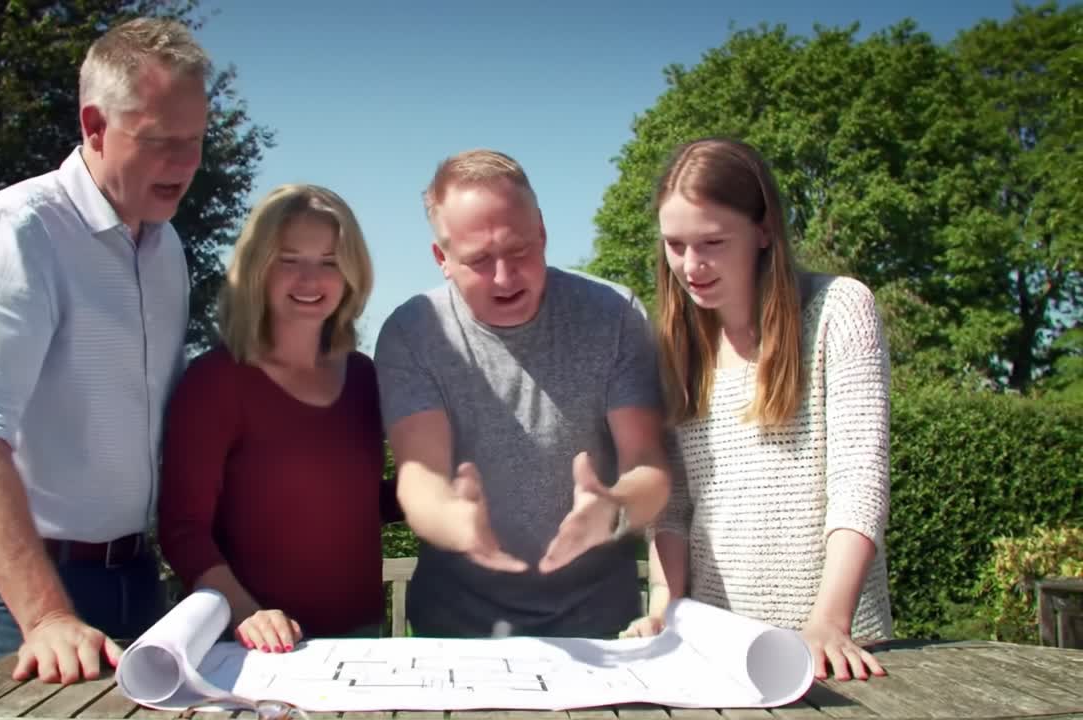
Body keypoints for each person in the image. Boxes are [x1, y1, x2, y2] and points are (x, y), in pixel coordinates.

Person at [0, 18, 210, 687]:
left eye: (195, 142)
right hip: (12, 594)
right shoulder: (17, 231)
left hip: (134, 578)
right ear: (94, 124)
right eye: (161, 141)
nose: (183, 165)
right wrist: (46, 615)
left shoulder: (167, 250)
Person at [374, 149, 676, 638]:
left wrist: (613, 509)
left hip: (604, 631)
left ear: (543, 233)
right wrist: (453, 521)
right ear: (442, 259)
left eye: (519, 251)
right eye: (478, 260)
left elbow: (648, 463)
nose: (504, 277)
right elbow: (419, 476)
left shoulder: (613, 314)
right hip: (456, 636)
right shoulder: (414, 332)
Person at [622, 137, 893, 682]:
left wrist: (828, 622)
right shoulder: (673, 348)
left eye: (713, 242)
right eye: (675, 245)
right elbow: (671, 507)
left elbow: (859, 482)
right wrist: (663, 607)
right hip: (714, 649)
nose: (691, 265)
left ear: (764, 230)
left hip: (834, 653)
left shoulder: (840, 310)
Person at [158, 184, 397, 654]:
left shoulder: (366, 377)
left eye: (330, 261)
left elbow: (358, 504)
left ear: (352, 274)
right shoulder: (216, 381)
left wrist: (448, 482)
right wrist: (248, 613)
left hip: (364, 643)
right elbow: (183, 529)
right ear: (256, 270)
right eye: (289, 259)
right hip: (249, 650)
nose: (310, 280)